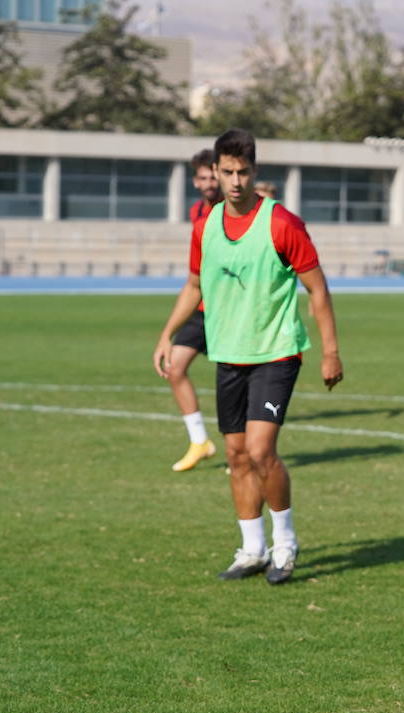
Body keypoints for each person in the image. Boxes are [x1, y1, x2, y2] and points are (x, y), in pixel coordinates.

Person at [152, 128, 344, 584]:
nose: (235, 181)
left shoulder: (282, 223)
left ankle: (285, 544)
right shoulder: (205, 226)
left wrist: (330, 352)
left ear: (254, 172)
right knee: (236, 457)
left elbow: (317, 289)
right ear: (214, 172)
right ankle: (251, 549)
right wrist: (167, 334)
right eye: (227, 172)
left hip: (276, 353)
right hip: (229, 355)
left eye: (243, 172)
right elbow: (194, 285)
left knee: (261, 452)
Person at [166, 149, 223, 472]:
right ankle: (199, 441)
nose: (208, 183)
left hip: (230, 311)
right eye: (202, 178)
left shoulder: (238, 211)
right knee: (175, 367)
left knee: (235, 381)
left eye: (212, 176)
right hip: (202, 308)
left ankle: (242, 451)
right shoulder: (197, 212)